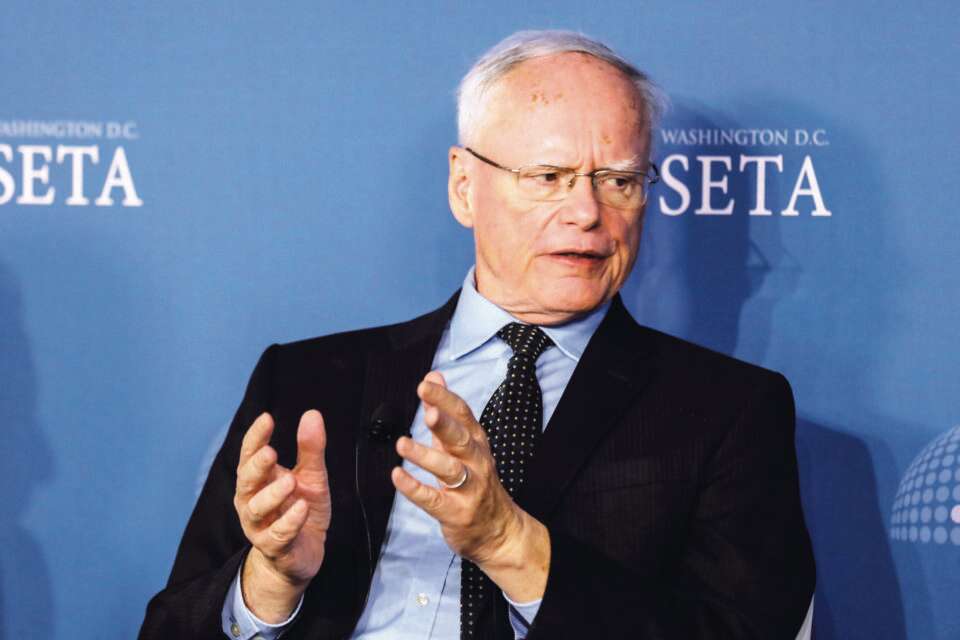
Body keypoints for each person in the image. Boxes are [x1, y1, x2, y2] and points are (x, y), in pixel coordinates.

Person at [139, 30, 815, 640]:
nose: (587, 212)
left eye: (619, 181)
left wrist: (509, 543)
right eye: (548, 177)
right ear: (465, 186)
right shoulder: (308, 381)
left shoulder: (726, 410)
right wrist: (270, 582)